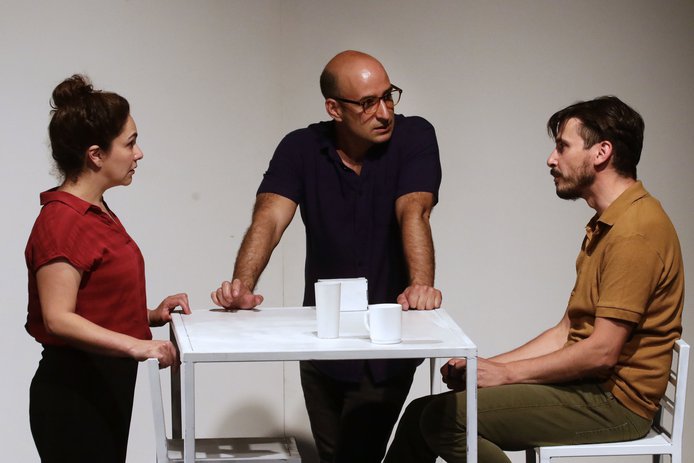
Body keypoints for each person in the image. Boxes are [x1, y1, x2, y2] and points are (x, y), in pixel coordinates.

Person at [384, 96, 684, 463]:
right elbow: (566, 331)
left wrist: (506, 374)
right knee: (419, 415)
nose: (551, 159)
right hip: (590, 388)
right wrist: (485, 369)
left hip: (614, 403)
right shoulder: (609, 224)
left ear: (601, 152)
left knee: (444, 420)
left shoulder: (635, 232)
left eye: (563, 146)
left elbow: (602, 352)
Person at [211, 50, 443, 462]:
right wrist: (242, 285)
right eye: (368, 103)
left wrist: (421, 285)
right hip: (322, 343)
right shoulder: (300, 147)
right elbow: (269, 218)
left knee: (356, 454)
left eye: (387, 96)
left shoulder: (415, 136)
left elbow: (414, 210)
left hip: (384, 347)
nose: (384, 112)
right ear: (334, 109)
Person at [25, 74, 191, 463]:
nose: (139, 154)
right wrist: (138, 345)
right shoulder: (62, 221)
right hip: (75, 394)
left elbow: (92, 303)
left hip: (104, 385)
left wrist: (148, 315)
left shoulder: (95, 210)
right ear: (96, 155)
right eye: (130, 143)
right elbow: (58, 319)